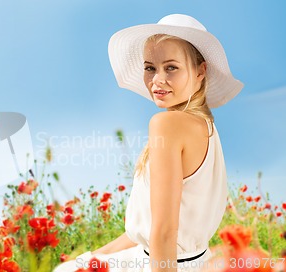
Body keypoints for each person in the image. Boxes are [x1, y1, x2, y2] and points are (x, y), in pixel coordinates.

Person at [53, 14, 243, 272]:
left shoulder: (167, 124)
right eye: (150, 67)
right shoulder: (207, 127)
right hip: (191, 261)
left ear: (201, 70)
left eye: (171, 67)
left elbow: (164, 232)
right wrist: (89, 258)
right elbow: (145, 231)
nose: (157, 80)